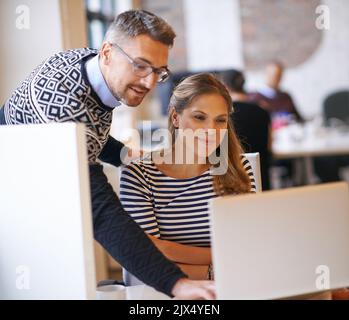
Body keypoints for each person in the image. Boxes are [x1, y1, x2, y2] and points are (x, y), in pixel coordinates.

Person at [0, 10, 215, 299]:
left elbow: (88, 132)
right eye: (141, 66)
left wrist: (126, 155)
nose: (151, 83)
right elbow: (101, 213)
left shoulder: (88, 62)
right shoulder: (62, 109)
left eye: (159, 72)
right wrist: (176, 283)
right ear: (107, 52)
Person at [119, 73, 256, 281]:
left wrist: (170, 251)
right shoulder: (140, 174)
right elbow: (146, 255)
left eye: (220, 120)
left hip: (237, 287)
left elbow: (246, 246)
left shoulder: (237, 168)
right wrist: (216, 269)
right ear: (175, 117)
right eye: (199, 117)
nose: (211, 130)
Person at [219, 69, 272, 190]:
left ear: (224, 87)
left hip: (233, 183)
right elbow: (269, 146)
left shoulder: (222, 116)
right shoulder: (262, 111)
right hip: (262, 181)